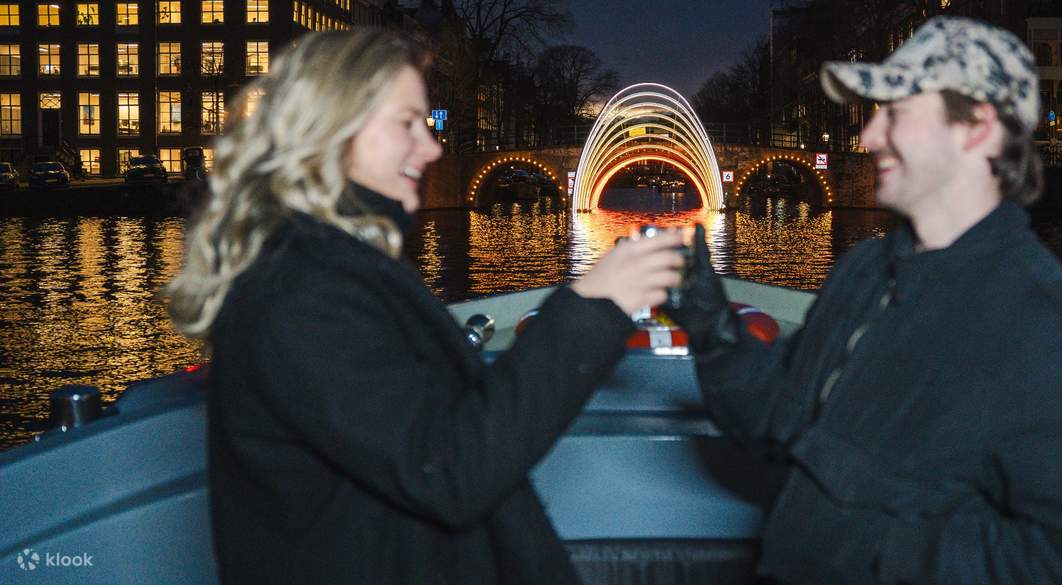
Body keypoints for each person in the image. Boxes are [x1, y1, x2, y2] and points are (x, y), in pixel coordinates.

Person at [166, 29, 684, 585]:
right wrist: (592, 306)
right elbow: (448, 470)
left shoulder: (326, 265)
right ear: (332, 130)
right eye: (408, 122)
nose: (433, 146)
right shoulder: (302, 290)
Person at [666, 17, 1062, 584]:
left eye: (893, 113)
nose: (868, 137)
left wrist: (877, 541)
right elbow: (778, 421)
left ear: (977, 128)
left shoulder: (1051, 332)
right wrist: (713, 331)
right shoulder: (865, 272)